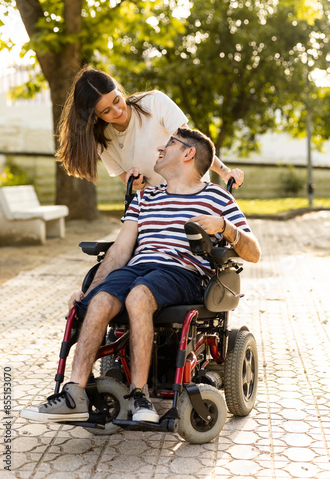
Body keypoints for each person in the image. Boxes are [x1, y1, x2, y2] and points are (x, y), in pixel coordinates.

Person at [21, 128, 260, 424]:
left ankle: (138, 395)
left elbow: (254, 252)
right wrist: (90, 290)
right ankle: (74, 395)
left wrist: (225, 227)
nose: (161, 148)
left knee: (138, 296)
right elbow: (121, 250)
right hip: (136, 268)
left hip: (181, 272)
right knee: (99, 302)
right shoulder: (145, 196)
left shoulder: (217, 198)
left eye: (170, 143)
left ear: (189, 153)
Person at [56, 67, 244, 190]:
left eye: (117, 100)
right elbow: (132, 185)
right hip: (155, 207)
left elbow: (193, 146)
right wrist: (135, 182)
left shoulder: (154, 103)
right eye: (106, 110)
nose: (117, 111)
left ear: (119, 92)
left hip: (191, 195)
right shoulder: (103, 139)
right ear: (95, 116)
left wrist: (225, 172)